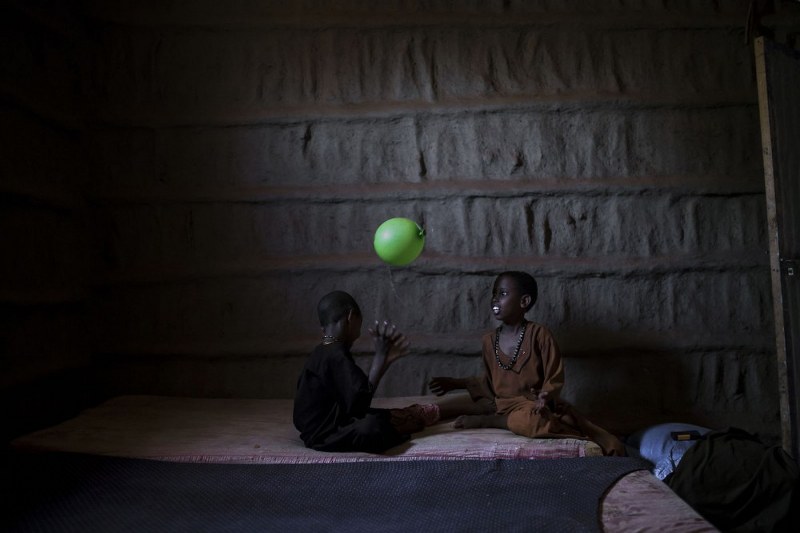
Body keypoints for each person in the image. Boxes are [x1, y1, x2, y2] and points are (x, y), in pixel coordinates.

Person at [429, 271, 626, 456]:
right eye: (494, 293)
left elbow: (554, 376)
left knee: (533, 422)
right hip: (501, 403)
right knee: (453, 405)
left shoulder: (539, 335)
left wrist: (546, 395)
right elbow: (489, 382)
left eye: (503, 293)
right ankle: (491, 416)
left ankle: (491, 421)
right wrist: (455, 383)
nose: (495, 299)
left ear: (524, 301)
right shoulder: (489, 341)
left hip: (532, 405)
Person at [293, 290, 440, 453]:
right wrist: (380, 357)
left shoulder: (323, 350)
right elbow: (361, 402)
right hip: (324, 436)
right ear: (351, 317)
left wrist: (384, 362)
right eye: (360, 323)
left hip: (324, 428)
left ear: (323, 329)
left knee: (386, 416)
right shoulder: (334, 354)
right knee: (373, 426)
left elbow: (351, 402)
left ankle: (404, 418)